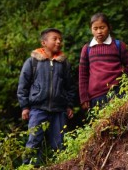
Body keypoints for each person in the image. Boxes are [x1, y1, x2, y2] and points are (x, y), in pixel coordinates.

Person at [17, 28, 76, 166]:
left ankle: (62, 167)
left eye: (60, 39)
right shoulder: (33, 61)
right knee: (33, 143)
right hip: (37, 109)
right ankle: (29, 167)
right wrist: (25, 107)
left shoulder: (64, 63)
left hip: (59, 111)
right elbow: (23, 85)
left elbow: (70, 86)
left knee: (60, 144)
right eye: (54, 39)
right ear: (44, 42)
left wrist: (69, 105)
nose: (58, 42)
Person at [78, 13, 128, 110]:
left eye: (102, 27)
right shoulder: (87, 49)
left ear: (109, 27)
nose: (99, 31)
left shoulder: (118, 45)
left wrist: (122, 82)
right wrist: (84, 97)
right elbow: (83, 75)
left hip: (118, 93)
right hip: (96, 97)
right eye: (95, 29)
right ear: (91, 30)